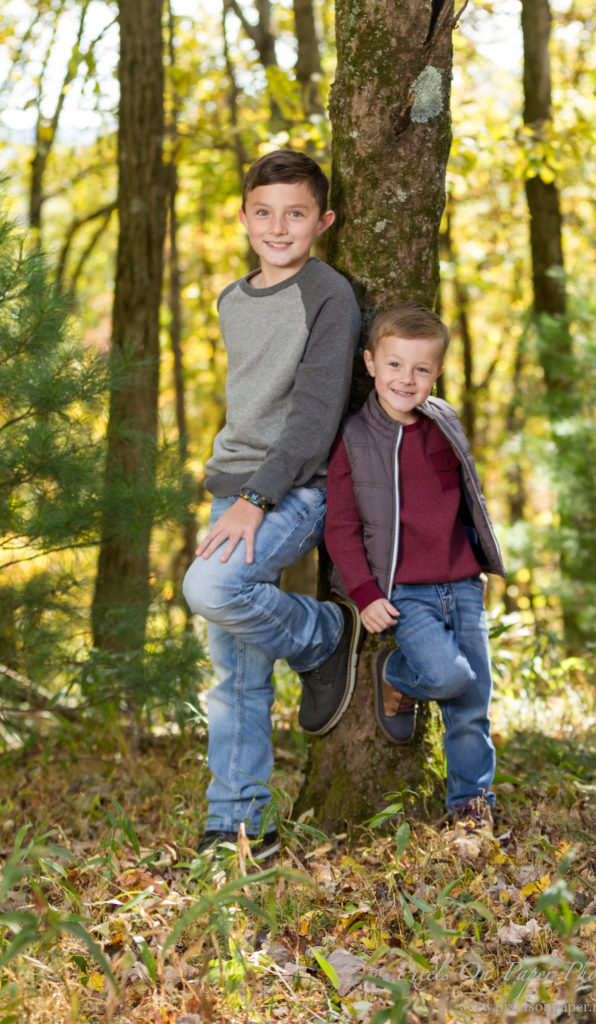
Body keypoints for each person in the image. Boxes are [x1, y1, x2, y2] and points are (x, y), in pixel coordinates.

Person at [183, 149, 363, 859]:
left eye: (295, 214)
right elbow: (249, 407)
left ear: (323, 220)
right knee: (235, 673)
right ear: (243, 217)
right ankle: (238, 824)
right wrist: (236, 492)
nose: (278, 227)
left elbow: (315, 416)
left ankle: (323, 636)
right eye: (264, 212)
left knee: (211, 586)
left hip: (296, 488)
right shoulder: (232, 298)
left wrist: (259, 496)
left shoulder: (328, 293)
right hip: (231, 487)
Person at [324, 303, 505, 833]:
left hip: (461, 583)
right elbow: (340, 527)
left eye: (421, 369)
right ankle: (397, 674)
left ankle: (470, 808)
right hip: (404, 591)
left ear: (437, 373)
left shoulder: (445, 424)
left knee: (473, 701)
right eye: (395, 365)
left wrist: (478, 562)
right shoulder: (353, 438)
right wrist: (364, 592)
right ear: (370, 364)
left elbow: (467, 497)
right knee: (450, 677)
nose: (407, 379)